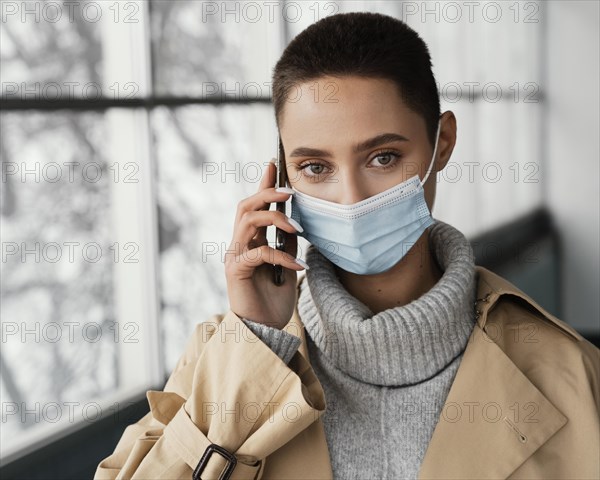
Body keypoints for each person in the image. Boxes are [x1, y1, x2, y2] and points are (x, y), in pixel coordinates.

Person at [94, 11, 600, 480]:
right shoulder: (223, 355)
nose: (352, 198)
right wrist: (255, 349)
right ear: (283, 175)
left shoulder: (568, 371)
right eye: (316, 167)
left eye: (383, 157)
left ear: (442, 142)